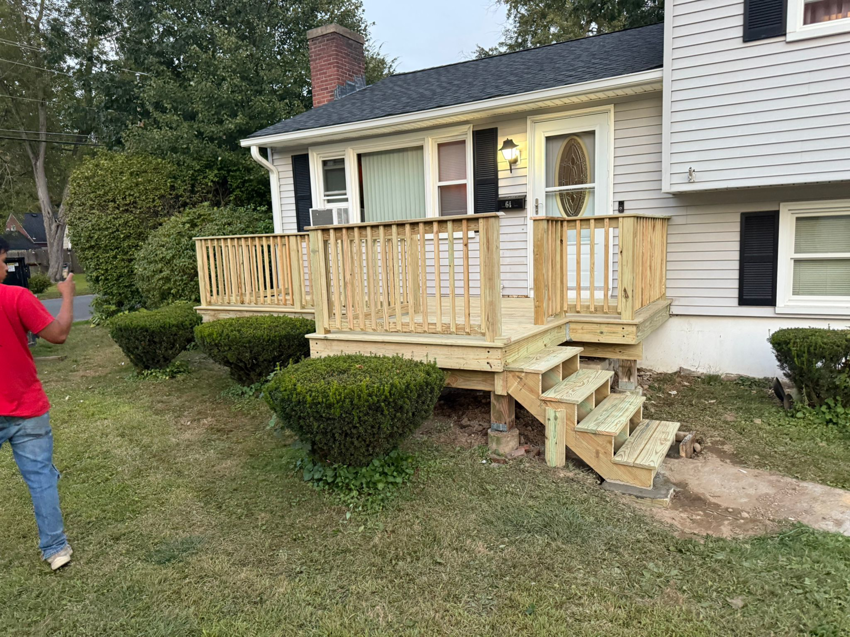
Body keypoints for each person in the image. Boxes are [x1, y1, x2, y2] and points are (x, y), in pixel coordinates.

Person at [0, 237, 75, 570]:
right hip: (26, 405)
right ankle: (56, 549)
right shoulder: (17, 296)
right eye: (2, 260)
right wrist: (68, 297)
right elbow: (57, 334)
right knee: (41, 478)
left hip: (23, 405)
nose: (5, 268)